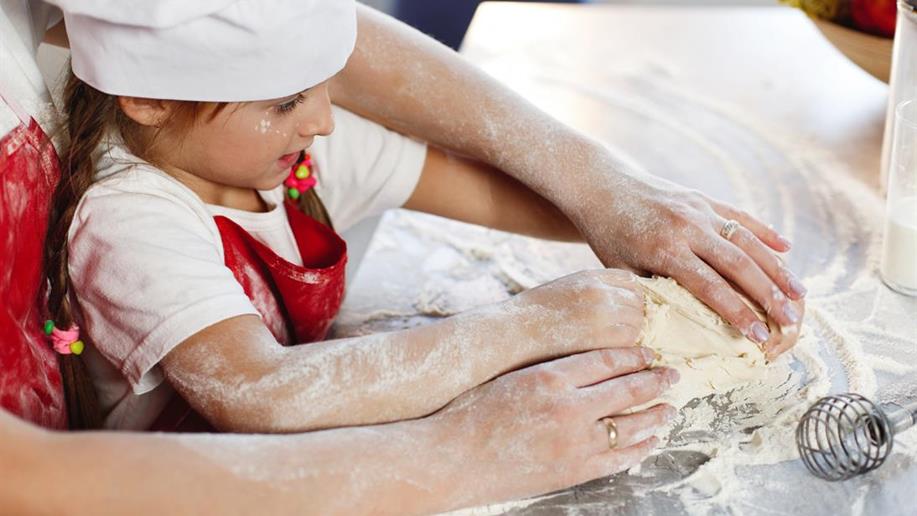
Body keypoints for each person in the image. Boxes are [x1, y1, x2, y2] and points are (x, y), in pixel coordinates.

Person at [46, 0, 801, 434]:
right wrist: (538, 322)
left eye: (323, 90)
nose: (324, 121)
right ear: (145, 100)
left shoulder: (278, 154)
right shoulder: (129, 220)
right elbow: (261, 392)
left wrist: (633, 216)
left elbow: (483, 188)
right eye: (285, 102)